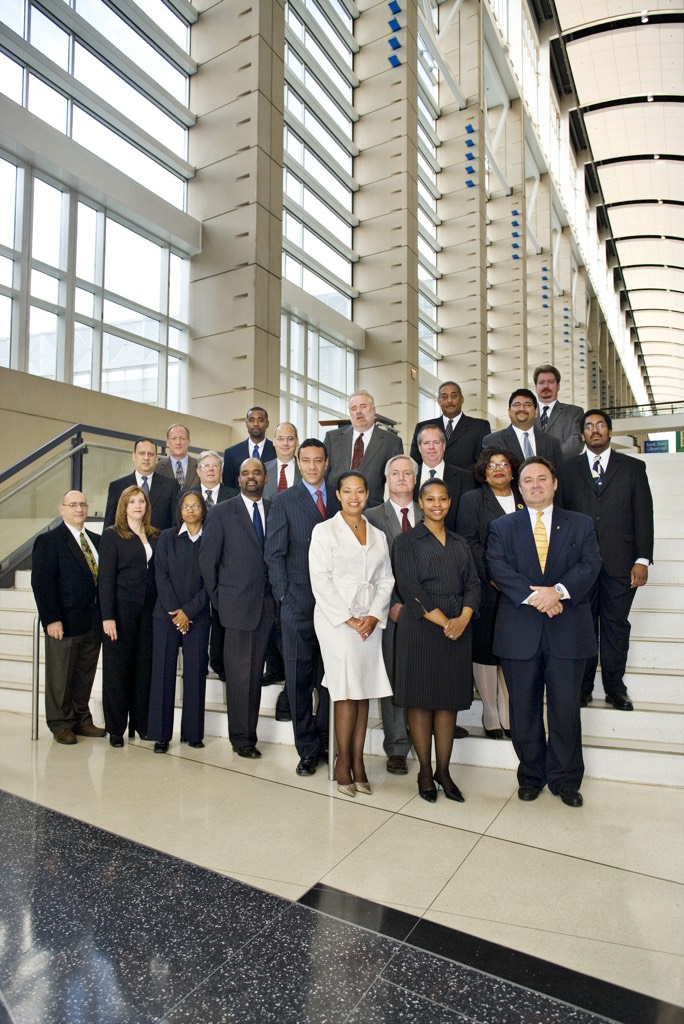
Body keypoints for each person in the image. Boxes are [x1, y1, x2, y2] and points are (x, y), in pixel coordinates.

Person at [486, 457, 601, 807]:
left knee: (566, 709)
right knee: (524, 710)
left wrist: (559, 591)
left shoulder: (580, 524)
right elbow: (498, 567)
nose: (535, 484)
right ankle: (531, 775)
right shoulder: (502, 526)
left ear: (554, 484)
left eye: (542, 479)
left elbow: (590, 563)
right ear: (519, 488)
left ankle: (566, 780)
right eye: (528, 480)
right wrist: (539, 597)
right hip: (520, 633)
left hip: (568, 630)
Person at [559, 410, 654, 711]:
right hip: (579, 566)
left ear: (610, 432)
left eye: (600, 425)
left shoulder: (633, 468)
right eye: (589, 426)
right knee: (583, 627)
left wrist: (642, 559)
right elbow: (560, 518)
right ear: (582, 434)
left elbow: (643, 514)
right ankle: (583, 688)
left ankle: (615, 688)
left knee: (615, 625)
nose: (595, 430)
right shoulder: (567, 469)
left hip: (621, 563)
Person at [393, 480, 480, 803]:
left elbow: (473, 583)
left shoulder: (460, 542)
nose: (437, 504)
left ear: (450, 501)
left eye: (443, 498)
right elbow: (410, 589)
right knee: (421, 701)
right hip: (422, 629)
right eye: (430, 499)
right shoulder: (406, 541)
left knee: (447, 703)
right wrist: (446, 622)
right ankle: (425, 772)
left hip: (458, 628)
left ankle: (444, 770)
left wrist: (463, 619)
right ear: (420, 502)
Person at [309, 472, 394, 797]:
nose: (354, 497)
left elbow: (386, 579)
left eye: (360, 491)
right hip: (336, 622)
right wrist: (349, 618)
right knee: (345, 690)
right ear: (339, 495)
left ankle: (358, 762)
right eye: (348, 491)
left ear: (368, 493)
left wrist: (373, 614)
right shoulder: (324, 530)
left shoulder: (377, 534)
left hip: (370, 620)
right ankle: (342, 762)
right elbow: (321, 579)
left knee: (364, 690)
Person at [265, 439, 340, 775]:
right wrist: (283, 596)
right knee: (298, 679)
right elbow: (274, 553)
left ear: (326, 462)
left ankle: (326, 741)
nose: (312, 466)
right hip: (298, 603)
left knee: (329, 679)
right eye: (305, 460)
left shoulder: (341, 497)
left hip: (337, 607)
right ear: (297, 462)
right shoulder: (283, 501)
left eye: (318, 460)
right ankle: (307, 748)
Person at [200, 459, 275, 758]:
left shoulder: (274, 510)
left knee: (256, 675)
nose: (251, 477)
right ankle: (242, 739)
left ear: (266, 478)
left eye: (256, 472)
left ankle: (251, 733)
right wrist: (221, 603)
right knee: (241, 678)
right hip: (236, 608)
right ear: (238, 479)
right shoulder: (221, 512)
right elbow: (208, 562)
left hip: (270, 606)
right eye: (245, 473)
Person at [455, 447, 523, 738]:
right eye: (492, 465)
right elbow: (468, 542)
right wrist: (495, 575)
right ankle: (491, 712)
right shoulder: (472, 500)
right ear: (483, 471)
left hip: (522, 588)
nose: (498, 469)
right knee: (485, 647)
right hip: (486, 586)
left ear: (512, 469)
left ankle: (508, 709)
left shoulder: (524, 497)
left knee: (513, 649)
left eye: (504, 464)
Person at [31, 491, 106, 745]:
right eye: (72, 505)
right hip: (63, 622)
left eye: (83, 504)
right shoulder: (49, 541)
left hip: (93, 621)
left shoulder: (96, 540)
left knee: (85, 675)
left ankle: (81, 720)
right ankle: (60, 723)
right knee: (60, 676)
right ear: (61, 509)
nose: (79, 508)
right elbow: (42, 583)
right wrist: (51, 618)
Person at [364, 455, 420, 775]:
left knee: (422, 675)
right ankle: (397, 745)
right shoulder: (371, 517)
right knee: (394, 678)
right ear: (387, 480)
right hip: (390, 614)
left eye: (407, 473)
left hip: (427, 613)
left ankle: (422, 733)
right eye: (395, 473)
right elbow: (367, 568)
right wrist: (391, 604)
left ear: (415, 479)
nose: (401, 478)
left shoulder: (430, 512)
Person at [147, 490, 211, 753]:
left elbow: (211, 581)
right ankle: (162, 735)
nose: (191, 510)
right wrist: (176, 611)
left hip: (197, 616)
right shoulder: (166, 537)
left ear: (203, 510)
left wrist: (189, 612)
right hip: (166, 615)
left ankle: (193, 733)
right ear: (179, 510)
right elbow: (160, 576)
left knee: (196, 673)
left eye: (195, 506)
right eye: (186, 506)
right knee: (162, 673)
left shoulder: (211, 539)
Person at [100, 486, 159, 747]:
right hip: (120, 613)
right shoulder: (112, 536)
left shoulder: (155, 535)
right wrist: (107, 616)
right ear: (124, 507)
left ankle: (141, 724)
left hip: (149, 612)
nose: (137, 505)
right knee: (117, 671)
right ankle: (115, 728)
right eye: (131, 501)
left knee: (143, 670)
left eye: (141, 501)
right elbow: (105, 579)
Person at [195, 450, 237, 681]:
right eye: (206, 466)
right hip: (194, 564)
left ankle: (220, 663)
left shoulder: (233, 495)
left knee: (221, 613)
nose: (211, 469)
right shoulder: (187, 496)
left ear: (221, 470)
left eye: (215, 466)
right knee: (200, 613)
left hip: (225, 565)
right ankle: (199, 660)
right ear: (198, 471)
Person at [324, 390, 403, 505]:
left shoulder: (391, 442)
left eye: (363, 407)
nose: (358, 412)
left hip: (371, 509)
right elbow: (323, 474)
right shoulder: (332, 438)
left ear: (373, 410)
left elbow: (397, 483)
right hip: (334, 507)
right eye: (354, 408)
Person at [410, 380, 490, 470]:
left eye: (454, 396)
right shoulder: (423, 428)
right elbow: (415, 462)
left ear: (462, 399)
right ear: (439, 401)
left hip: (467, 482)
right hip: (432, 481)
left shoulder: (480, 426)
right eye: (444, 397)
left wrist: (460, 477)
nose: (449, 400)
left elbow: (482, 462)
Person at [104, 437, 176, 531]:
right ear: (134, 456)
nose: (146, 458)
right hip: (126, 543)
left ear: (156, 458)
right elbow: (109, 525)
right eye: (142, 453)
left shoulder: (171, 486)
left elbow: (175, 524)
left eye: (151, 454)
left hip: (160, 544)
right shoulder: (117, 487)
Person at [482, 389, 563, 470]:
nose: (522, 409)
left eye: (527, 405)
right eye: (516, 405)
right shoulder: (493, 441)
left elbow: (559, 476)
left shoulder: (552, 442)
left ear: (536, 412)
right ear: (509, 412)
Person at [413, 425, 476, 530]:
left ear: (443, 446)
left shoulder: (464, 478)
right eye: (426, 443)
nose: (431, 447)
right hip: (415, 541)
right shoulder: (410, 476)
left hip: (452, 542)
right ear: (419, 448)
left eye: (436, 442)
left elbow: (468, 518)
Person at [533, 365, 584, 459]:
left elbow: (577, 441)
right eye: (541, 382)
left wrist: (550, 459)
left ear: (558, 386)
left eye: (551, 382)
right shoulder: (527, 414)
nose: (546, 386)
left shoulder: (574, 412)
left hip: (564, 470)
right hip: (532, 471)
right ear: (536, 387)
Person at [222, 407, 276, 489]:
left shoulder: (277, 450)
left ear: (267, 423)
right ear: (246, 423)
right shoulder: (231, 453)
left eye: (260, 420)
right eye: (251, 420)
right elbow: (228, 487)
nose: (256, 424)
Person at [155, 423, 201, 490]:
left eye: (182, 438)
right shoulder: (158, 468)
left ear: (188, 442)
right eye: (174, 438)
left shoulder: (199, 465)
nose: (178, 442)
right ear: (167, 442)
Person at [263, 422, 301, 499]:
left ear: (297, 441)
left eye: (290, 438)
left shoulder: (306, 470)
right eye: (280, 438)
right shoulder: (262, 470)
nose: (285, 443)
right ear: (273, 441)